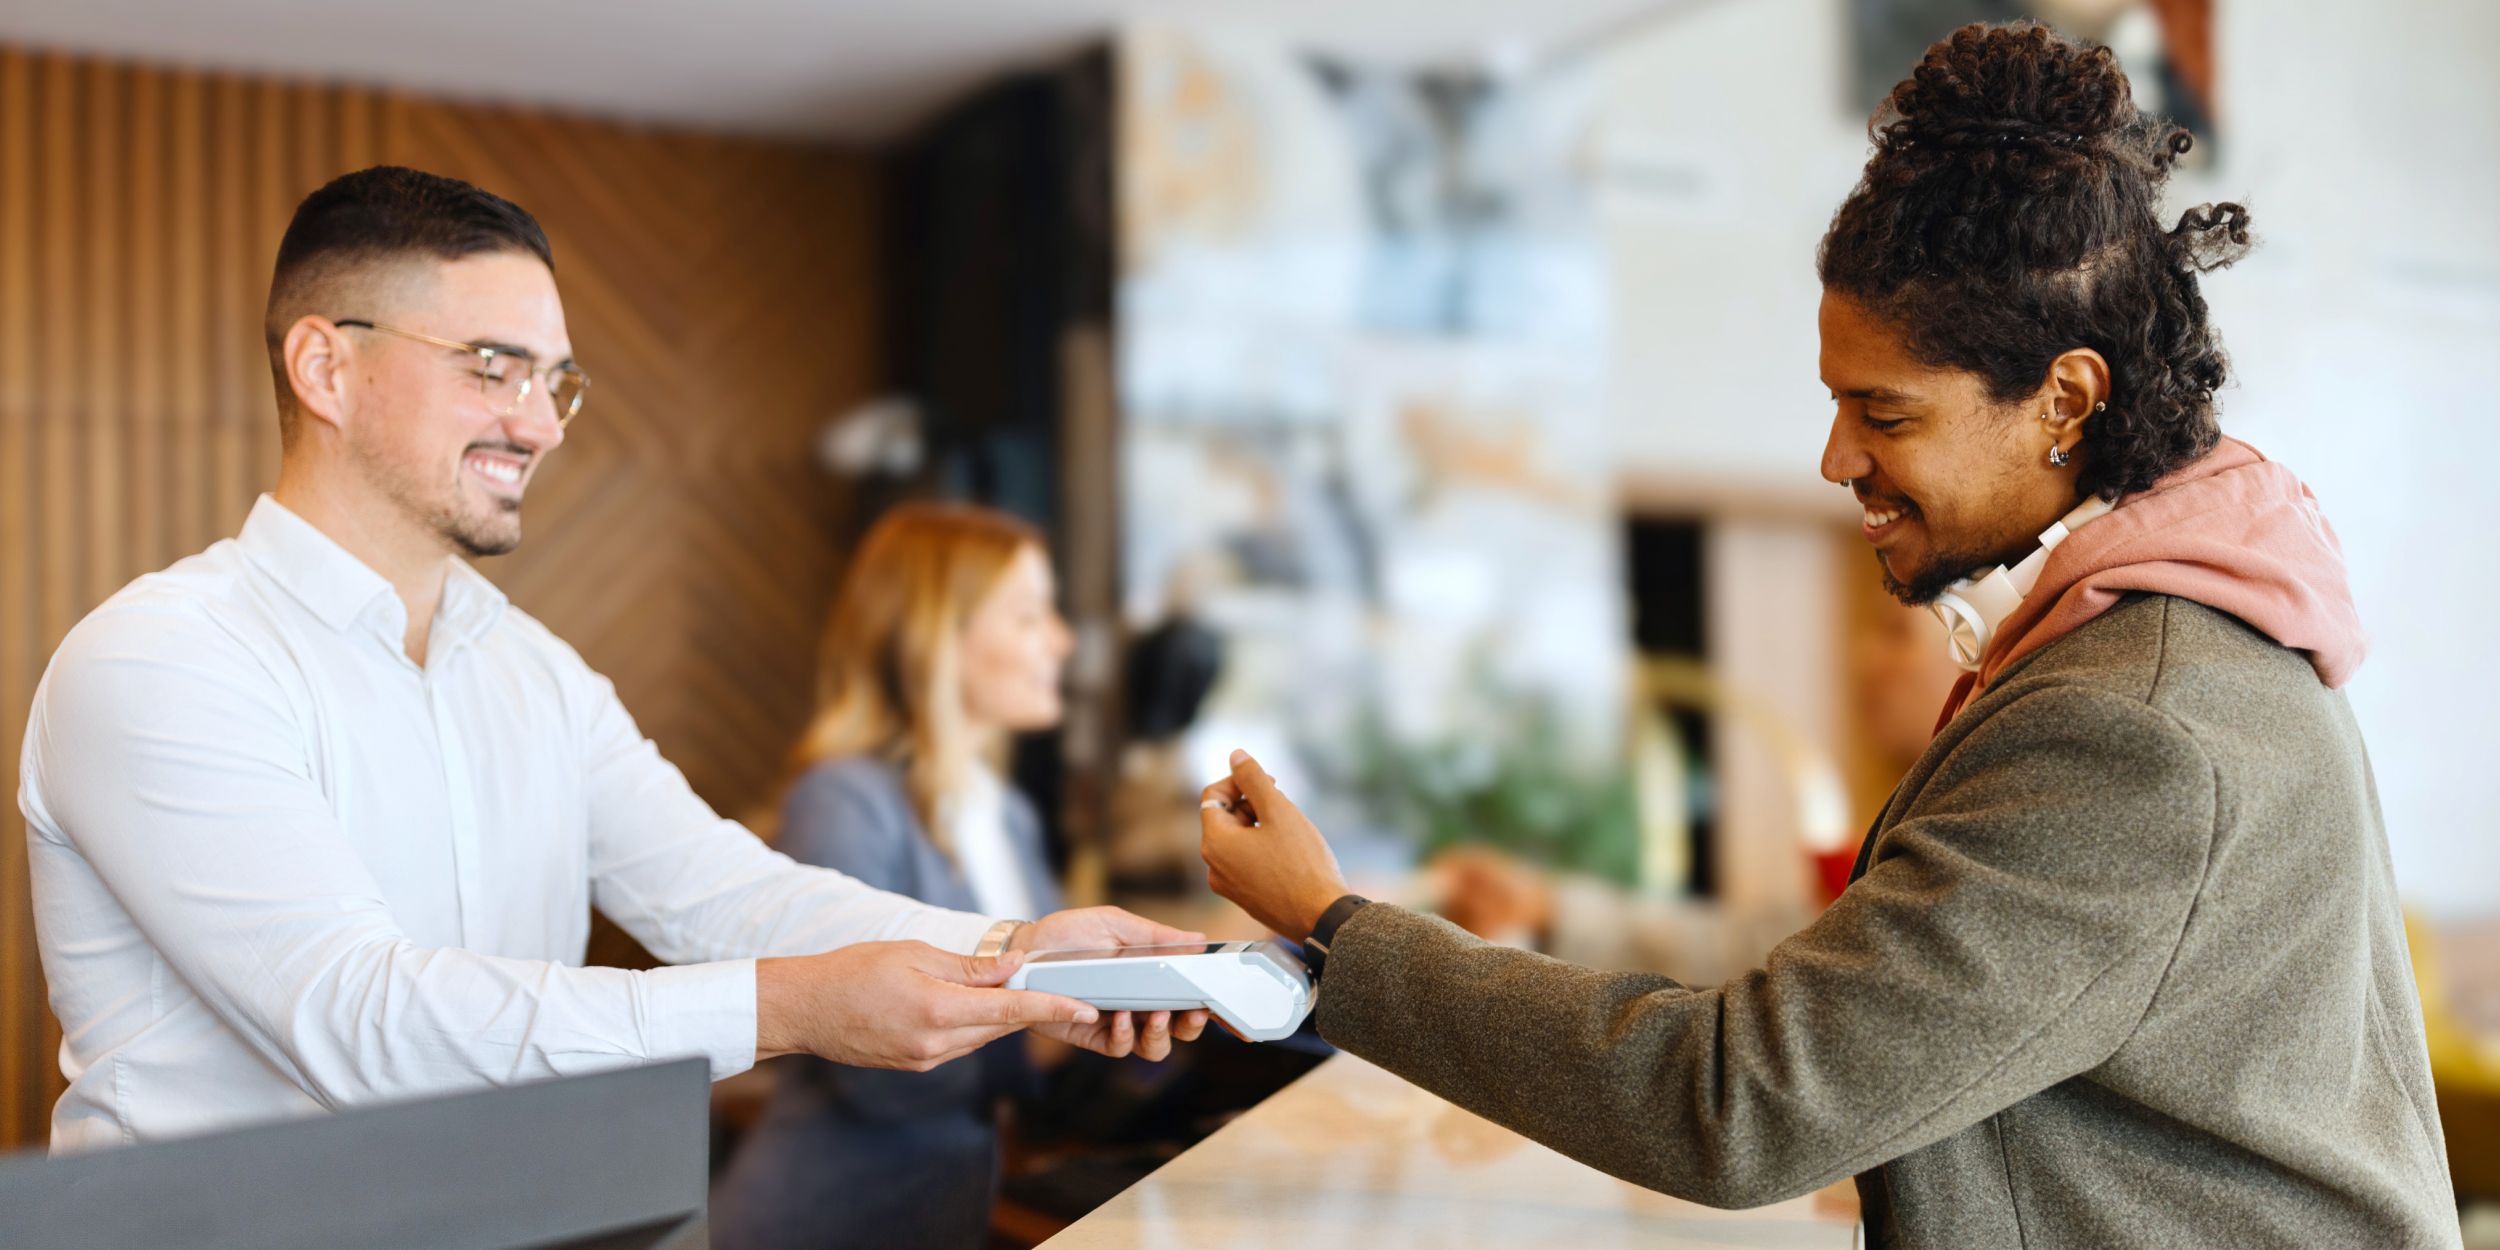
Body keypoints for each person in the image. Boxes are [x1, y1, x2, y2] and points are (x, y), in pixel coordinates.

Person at [1197, 22, 2457, 1250]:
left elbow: (1738, 1105)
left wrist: (1336, 930)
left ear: (2064, 399)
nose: (1836, 457)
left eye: (1885, 413)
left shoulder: (2131, 726)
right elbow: (1847, 994)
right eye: (1834, 402)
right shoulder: (2150, 653)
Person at [19, 166, 1203, 1155]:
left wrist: (1009, 950)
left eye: (556, 379)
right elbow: (358, 1020)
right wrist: (789, 1009)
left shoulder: (532, 669)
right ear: (325, 367)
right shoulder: (158, 659)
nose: (538, 423)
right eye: (492, 364)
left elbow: (725, 891)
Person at [711, 502, 1104, 1250]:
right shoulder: (844, 799)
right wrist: (1059, 1026)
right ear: (938, 637)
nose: (1061, 639)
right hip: (828, 1218)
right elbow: (881, 1074)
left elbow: (1044, 994)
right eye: (1029, 616)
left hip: (947, 1205)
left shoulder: (1004, 812)